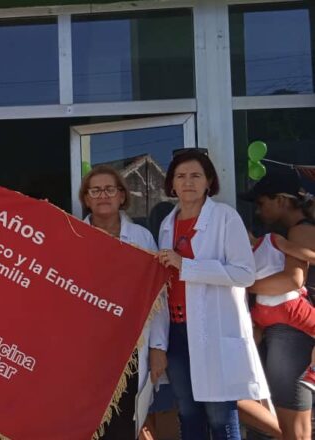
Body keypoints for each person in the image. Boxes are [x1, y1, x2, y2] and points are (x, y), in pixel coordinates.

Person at [156, 149, 269, 440]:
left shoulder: (225, 218)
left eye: (196, 175)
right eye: (181, 176)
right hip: (177, 333)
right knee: (188, 414)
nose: (188, 182)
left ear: (209, 181)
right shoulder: (167, 224)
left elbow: (245, 274)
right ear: (172, 184)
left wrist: (187, 266)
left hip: (212, 331)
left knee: (220, 416)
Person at [79, 165, 169, 439]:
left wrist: (157, 347)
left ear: (121, 196)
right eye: (95, 190)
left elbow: (158, 296)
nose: (103, 195)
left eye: (110, 189)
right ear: (86, 198)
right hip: (87, 350)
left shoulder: (142, 238)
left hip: (130, 347)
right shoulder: (73, 235)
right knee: (87, 422)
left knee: (124, 422)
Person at [241, 167, 315, 440]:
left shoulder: (298, 234)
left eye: (262, 203)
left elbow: (292, 280)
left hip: (293, 332)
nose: (259, 212)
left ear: (282, 200)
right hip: (290, 330)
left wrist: (240, 283)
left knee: (293, 427)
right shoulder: (290, 235)